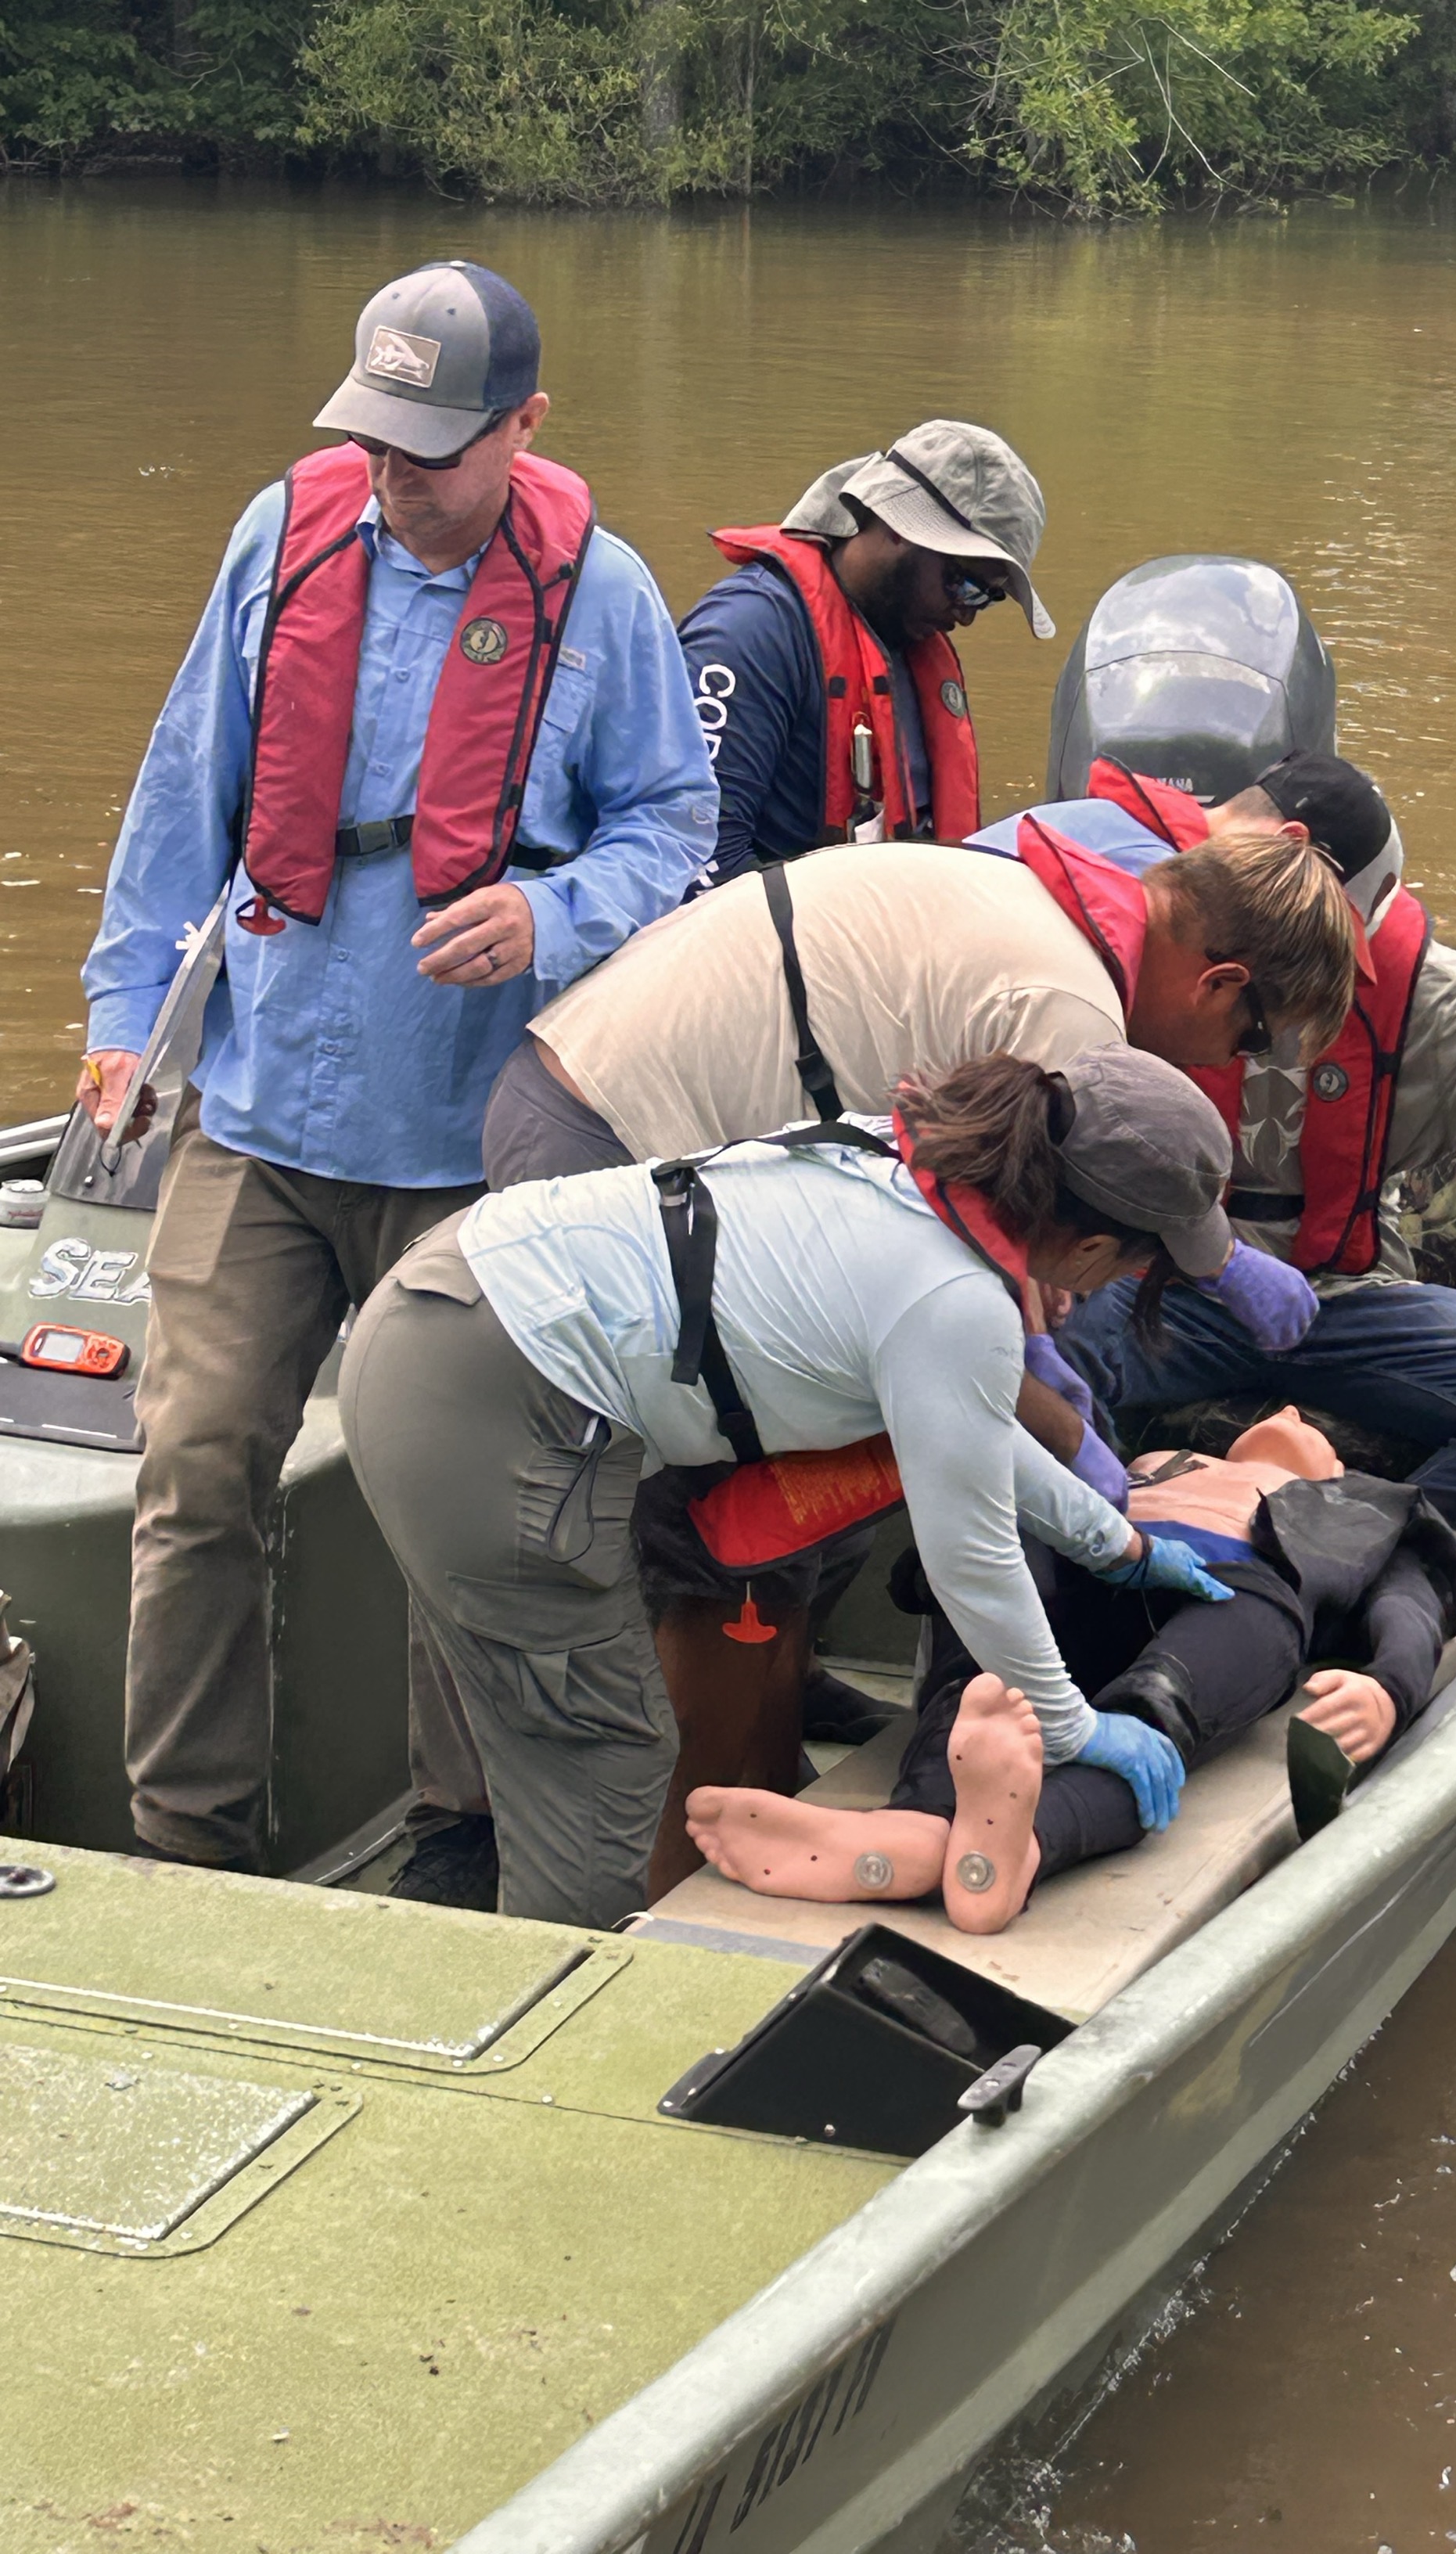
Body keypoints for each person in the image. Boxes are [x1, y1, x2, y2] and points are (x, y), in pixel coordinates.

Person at [76, 259, 718, 1888]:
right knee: (193, 1467)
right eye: (374, 437)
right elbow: (184, 788)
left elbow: (673, 826)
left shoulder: (604, 598)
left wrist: (554, 913)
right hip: (262, 1112)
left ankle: (456, 1837)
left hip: (469, 1143)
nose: (395, 474)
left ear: (524, 426)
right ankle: (185, 1842)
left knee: (460, 1505)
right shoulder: (281, 539)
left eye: (432, 447)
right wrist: (125, 1012)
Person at [340, 1048, 1256, 1926]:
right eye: (1140, 1264)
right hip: (497, 1389)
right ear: (1091, 1245)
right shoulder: (955, 1302)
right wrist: (1072, 1728)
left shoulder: (893, 1155)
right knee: (600, 1756)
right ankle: (566, 2010)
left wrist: (1117, 1545)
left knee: (562, 1740)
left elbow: (969, 1433)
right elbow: (973, 1561)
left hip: (453, 1297)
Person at [1002, 750, 1456, 1531]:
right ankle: (1112, 1541)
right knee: (1026, 1377)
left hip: (1340, 1297)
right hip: (1160, 1284)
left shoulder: (1441, 999)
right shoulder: (1148, 948)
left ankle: (1367, 1547)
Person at [685, 1405, 1456, 1935]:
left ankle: (1024, 1843)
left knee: (1159, 1711)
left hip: (1230, 1593)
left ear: (1340, 1465)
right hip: (1079, 1571)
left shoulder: (1366, 1506)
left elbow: (1413, 1604)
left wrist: (1390, 1686)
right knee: (991, 1647)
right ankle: (924, 1824)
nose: (1291, 1414)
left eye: (1313, 1425)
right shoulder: (1143, 1463)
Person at [678, 421, 1050, 883]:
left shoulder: (907, 636)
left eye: (987, 598)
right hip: (784, 923)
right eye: (964, 584)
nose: (967, 615)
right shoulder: (749, 634)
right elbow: (695, 856)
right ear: (899, 527)